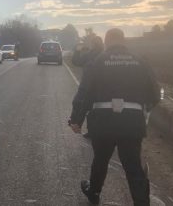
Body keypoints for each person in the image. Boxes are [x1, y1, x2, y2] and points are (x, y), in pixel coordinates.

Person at [68, 28, 160, 206]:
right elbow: (155, 94)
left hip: (103, 122)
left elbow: (84, 93)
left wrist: (76, 120)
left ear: (107, 41)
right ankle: (141, 202)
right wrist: (143, 110)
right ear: (123, 41)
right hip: (132, 123)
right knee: (133, 165)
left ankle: (94, 192)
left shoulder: (97, 62)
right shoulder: (140, 62)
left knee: (101, 159)